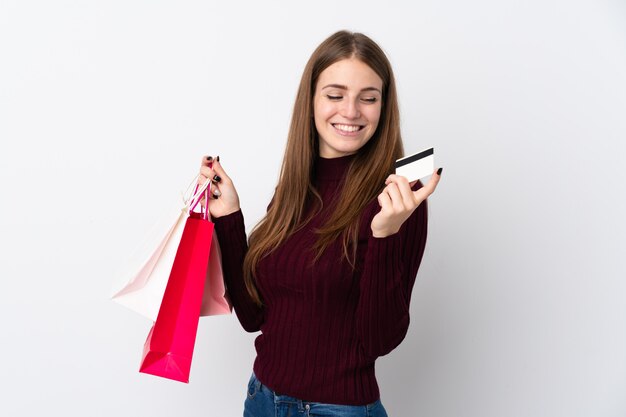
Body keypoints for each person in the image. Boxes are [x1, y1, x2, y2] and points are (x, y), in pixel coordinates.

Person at [199, 30, 442, 417]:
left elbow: (380, 339)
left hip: (338, 410)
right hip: (262, 399)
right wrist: (229, 218)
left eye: (368, 98)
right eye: (335, 95)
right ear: (311, 101)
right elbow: (253, 317)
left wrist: (385, 234)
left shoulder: (400, 194)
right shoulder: (297, 185)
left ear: (384, 106)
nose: (350, 111)